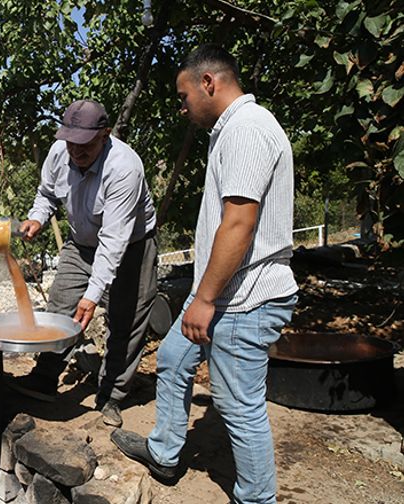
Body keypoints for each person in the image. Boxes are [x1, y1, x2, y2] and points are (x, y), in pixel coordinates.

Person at [110, 44, 298, 504]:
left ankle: (256, 499)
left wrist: (206, 299)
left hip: (244, 297)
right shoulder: (231, 130)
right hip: (224, 292)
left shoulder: (247, 131)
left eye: (184, 94)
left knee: (239, 407)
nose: (182, 105)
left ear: (208, 83)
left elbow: (239, 221)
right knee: (174, 357)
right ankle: (165, 453)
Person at [11, 99, 159, 428]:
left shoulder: (124, 169)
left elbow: (114, 240)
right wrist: (37, 218)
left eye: (85, 145)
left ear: (105, 135)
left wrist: (93, 295)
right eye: (70, 143)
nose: (76, 152)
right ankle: (45, 378)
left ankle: (112, 395)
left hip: (132, 246)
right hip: (81, 244)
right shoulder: (59, 153)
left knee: (126, 320)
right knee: (60, 306)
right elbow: (46, 193)